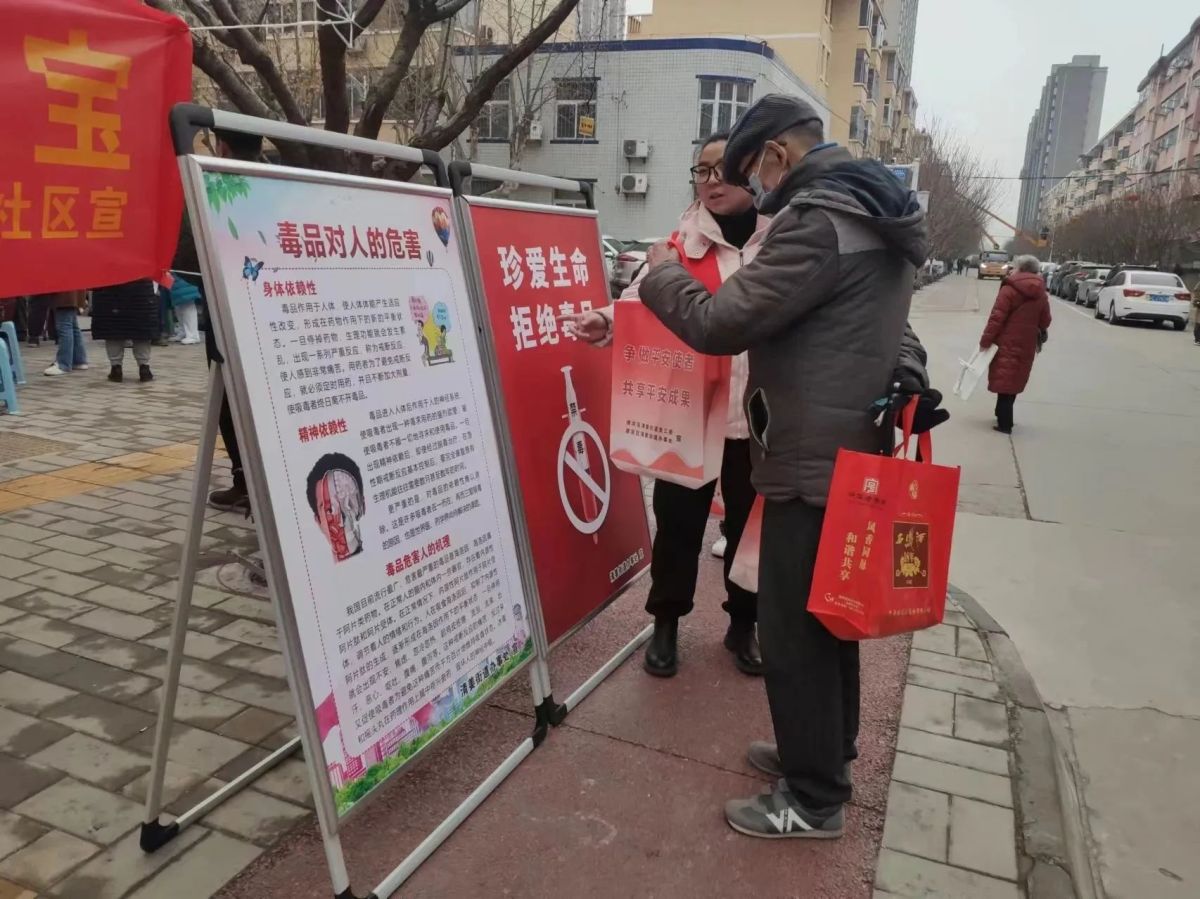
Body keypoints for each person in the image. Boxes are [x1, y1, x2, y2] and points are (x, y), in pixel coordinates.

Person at [637, 94, 929, 839]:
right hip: (848, 449)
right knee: (831, 619)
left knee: (795, 629)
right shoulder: (876, 212)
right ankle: (824, 751)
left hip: (809, 457)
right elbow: (890, 328)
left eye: (751, 172)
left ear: (776, 155)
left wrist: (661, 273)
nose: (754, 188)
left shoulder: (817, 221)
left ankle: (813, 797)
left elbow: (719, 322)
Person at [565, 132, 770, 677]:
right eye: (702, 171)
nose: (711, 181)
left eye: (723, 168)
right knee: (678, 526)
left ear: (753, 171)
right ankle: (666, 622)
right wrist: (605, 320)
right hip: (689, 415)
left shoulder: (780, 243)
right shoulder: (678, 247)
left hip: (759, 419)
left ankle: (743, 624)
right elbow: (637, 300)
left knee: (752, 529)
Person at [195, 128, 263, 511]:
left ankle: (245, 482)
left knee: (229, 399)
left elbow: (189, 256)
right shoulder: (280, 181)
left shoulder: (214, 188)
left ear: (222, 147)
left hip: (229, 312)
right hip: (280, 312)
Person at [979, 254, 1051, 434]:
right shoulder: (1041, 293)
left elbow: (997, 318)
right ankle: (1001, 415)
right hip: (1027, 343)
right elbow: (1045, 320)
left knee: (1004, 377)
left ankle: (1005, 423)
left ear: (1020, 268)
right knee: (1014, 378)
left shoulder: (1009, 289)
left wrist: (985, 341)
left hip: (1005, 341)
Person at [91, 279, 158, 382]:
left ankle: (116, 368)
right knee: (141, 332)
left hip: (110, 291)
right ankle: (144, 367)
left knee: (113, 332)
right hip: (141, 291)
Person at [40, 290, 88, 376]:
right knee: (72, 325)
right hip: (74, 293)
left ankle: (64, 364)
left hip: (64, 294)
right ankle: (78, 360)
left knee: (64, 325)